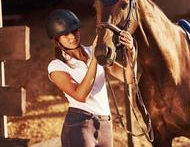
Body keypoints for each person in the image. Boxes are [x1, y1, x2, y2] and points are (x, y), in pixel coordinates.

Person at [45, 9, 135, 147]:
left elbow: (128, 78)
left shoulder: (93, 51)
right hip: (80, 125)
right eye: (65, 34)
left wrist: (131, 51)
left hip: (105, 125)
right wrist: (94, 58)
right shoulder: (56, 66)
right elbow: (80, 95)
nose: (72, 37)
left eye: (74, 31)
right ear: (57, 40)